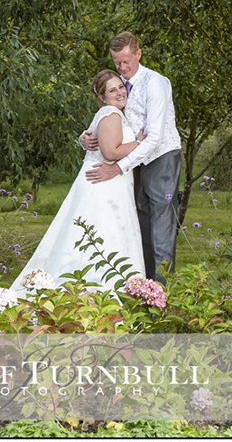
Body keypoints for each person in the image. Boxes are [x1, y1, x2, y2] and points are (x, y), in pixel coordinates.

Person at [9, 69, 147, 298]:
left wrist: (84, 140)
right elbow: (111, 152)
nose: (120, 92)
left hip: (105, 184)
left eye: (121, 87)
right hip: (105, 187)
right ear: (102, 97)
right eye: (112, 90)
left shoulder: (109, 113)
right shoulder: (111, 113)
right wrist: (139, 142)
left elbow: (100, 143)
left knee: (87, 237)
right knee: (106, 236)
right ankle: (100, 297)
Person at [80, 32, 181, 284]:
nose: (122, 67)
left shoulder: (155, 83)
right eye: (117, 62)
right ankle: (144, 289)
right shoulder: (119, 85)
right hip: (133, 163)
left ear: (138, 53)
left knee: (160, 228)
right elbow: (111, 122)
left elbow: (154, 137)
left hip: (160, 159)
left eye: (126, 61)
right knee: (140, 228)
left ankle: (164, 295)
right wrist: (86, 137)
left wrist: (119, 168)